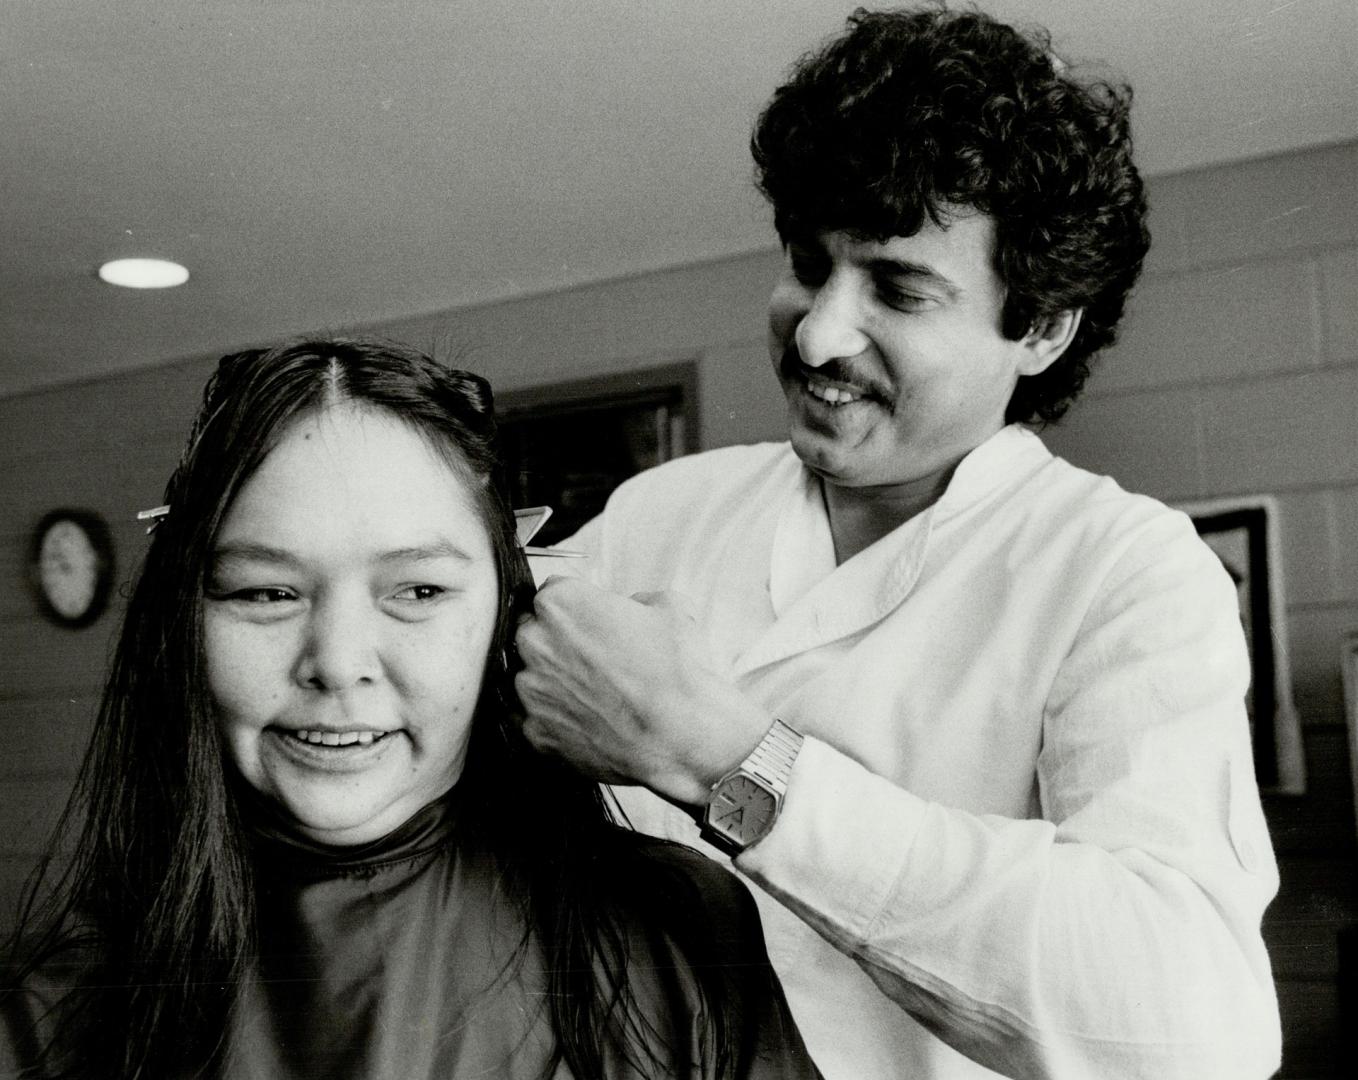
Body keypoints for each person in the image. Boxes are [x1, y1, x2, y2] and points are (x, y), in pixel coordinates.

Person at [512, 6, 1282, 1079]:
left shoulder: (1123, 572)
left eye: (898, 288)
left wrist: (726, 761)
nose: (818, 332)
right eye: (806, 263)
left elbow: (1189, 1031)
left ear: (1042, 327)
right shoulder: (657, 515)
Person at [0, 339, 820, 1080]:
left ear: (507, 610)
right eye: (266, 592)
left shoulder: (678, 933)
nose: (340, 664)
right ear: (185, 625)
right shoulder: (51, 1013)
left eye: (419, 591)